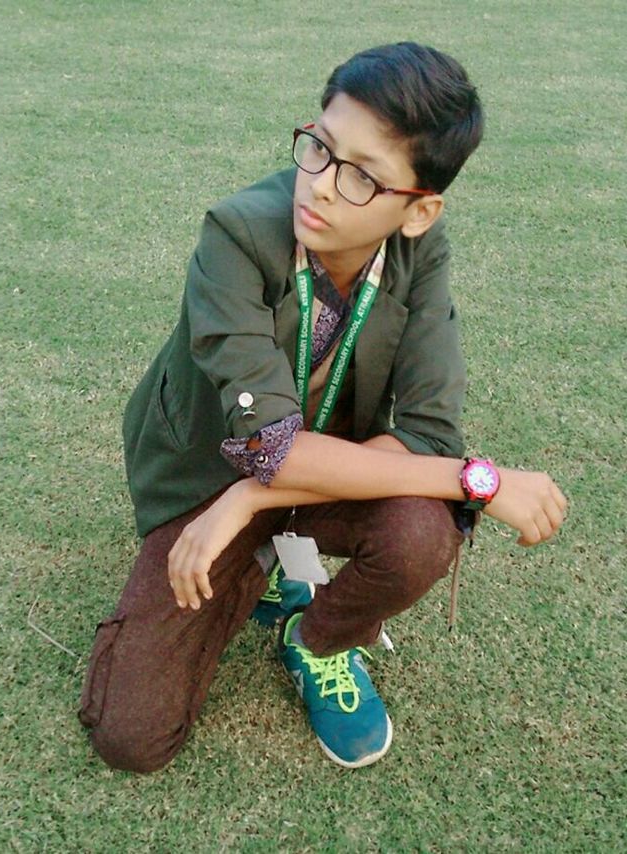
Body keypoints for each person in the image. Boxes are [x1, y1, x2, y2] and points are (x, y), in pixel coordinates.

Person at [78, 42, 567, 772]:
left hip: (313, 473)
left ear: (419, 210)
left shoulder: (419, 252)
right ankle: (263, 564)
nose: (323, 187)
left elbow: (427, 430)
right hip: (212, 472)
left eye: (363, 176)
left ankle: (315, 637)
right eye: (320, 147)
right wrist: (478, 482)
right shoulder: (238, 233)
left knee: (420, 535)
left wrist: (253, 498)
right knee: (132, 737)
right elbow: (273, 447)